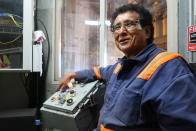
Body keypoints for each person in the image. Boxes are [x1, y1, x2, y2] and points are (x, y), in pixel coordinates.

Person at [57, 3, 196, 131]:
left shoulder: (170, 68)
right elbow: (98, 72)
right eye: (117, 27)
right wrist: (73, 74)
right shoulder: (120, 67)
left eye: (129, 24)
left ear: (147, 32)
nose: (121, 32)